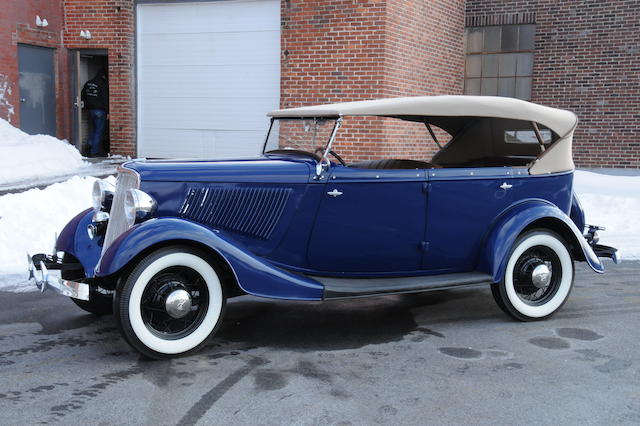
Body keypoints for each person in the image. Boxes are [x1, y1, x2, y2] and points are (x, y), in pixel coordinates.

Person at [81, 68, 109, 157]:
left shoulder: (88, 83)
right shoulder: (103, 84)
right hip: (100, 111)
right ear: (103, 76)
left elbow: (83, 95)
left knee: (93, 129)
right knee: (99, 131)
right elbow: (105, 99)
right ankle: (94, 151)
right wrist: (108, 111)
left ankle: (89, 145)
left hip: (91, 110)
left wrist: (86, 107)